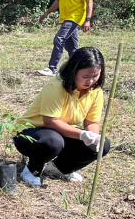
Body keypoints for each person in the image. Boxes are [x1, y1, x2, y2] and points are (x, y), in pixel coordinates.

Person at [15, 47, 111, 187]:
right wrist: (81, 134)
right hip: (31, 133)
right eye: (85, 77)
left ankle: (59, 169)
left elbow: (92, 121)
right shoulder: (56, 86)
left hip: (60, 132)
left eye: (95, 76)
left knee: (103, 144)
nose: (90, 81)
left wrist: (92, 137)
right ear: (73, 71)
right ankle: (31, 170)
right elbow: (50, 122)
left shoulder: (96, 92)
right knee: (53, 141)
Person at [37, 0, 94, 76]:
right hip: (65, 18)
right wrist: (46, 14)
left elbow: (89, 2)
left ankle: (52, 68)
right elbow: (57, 2)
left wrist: (88, 20)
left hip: (75, 18)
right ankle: (78, 69)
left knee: (59, 39)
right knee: (72, 47)